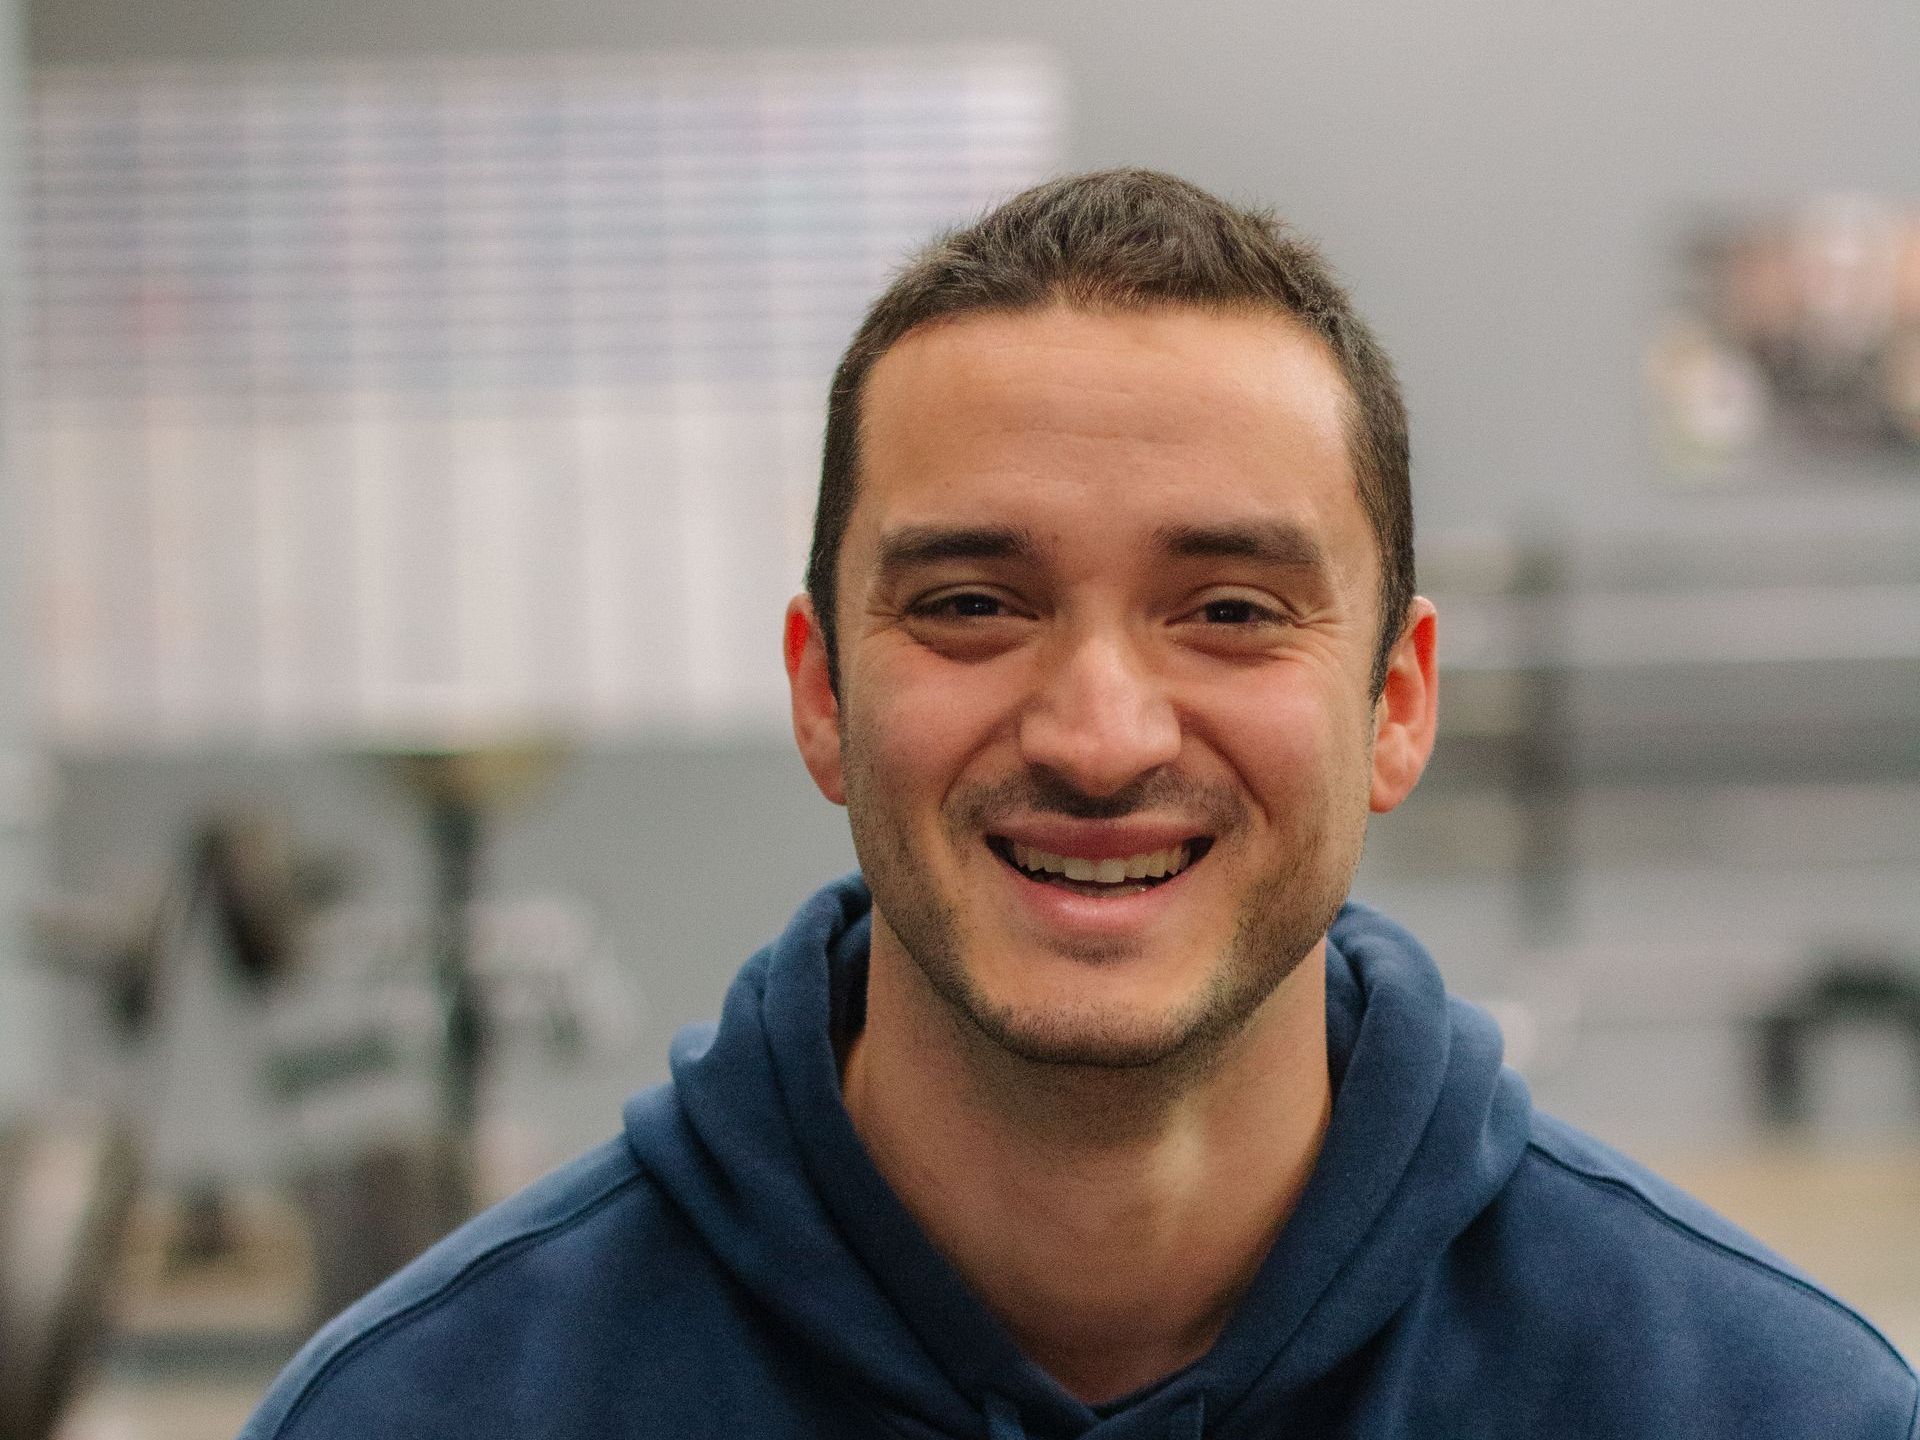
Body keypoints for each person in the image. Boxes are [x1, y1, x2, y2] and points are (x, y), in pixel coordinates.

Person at [241, 170, 1918, 1439]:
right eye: (972, 604)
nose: (1102, 737)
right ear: (822, 693)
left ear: (1396, 705)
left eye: (1231, 609)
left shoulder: (1762, 1408)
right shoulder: (427, 1411)